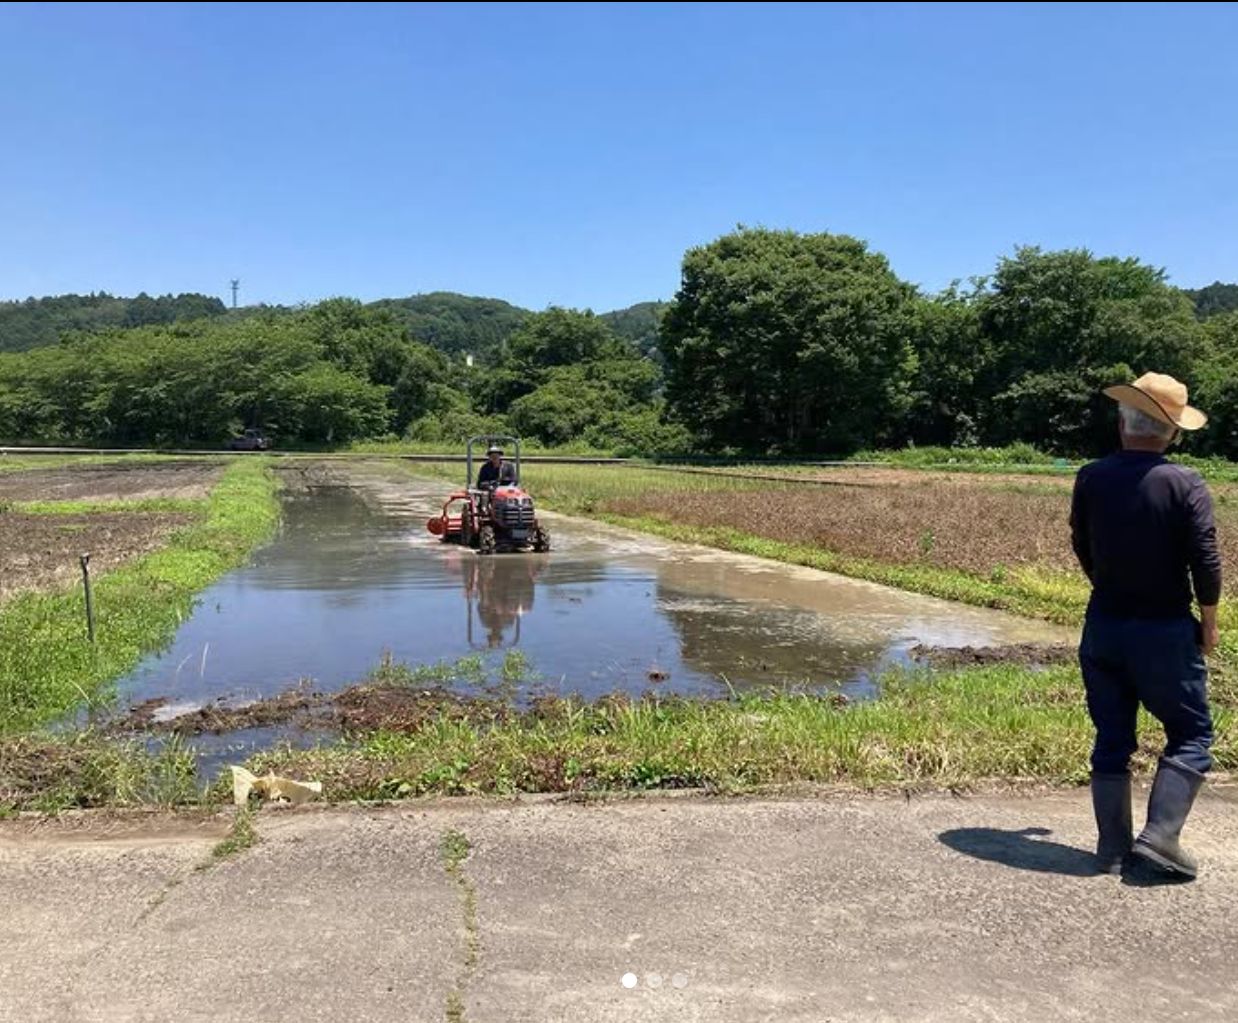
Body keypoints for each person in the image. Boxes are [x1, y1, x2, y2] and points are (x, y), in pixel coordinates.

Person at [1070, 372, 1221, 879]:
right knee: (1192, 732)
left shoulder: (1091, 476)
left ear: (1122, 422)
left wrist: (1105, 582)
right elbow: (1205, 559)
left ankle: (1111, 848)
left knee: (1112, 736)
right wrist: (1210, 621)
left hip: (1104, 626)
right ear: (1172, 433)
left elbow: (1081, 544)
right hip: (1163, 630)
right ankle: (1160, 838)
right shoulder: (1184, 482)